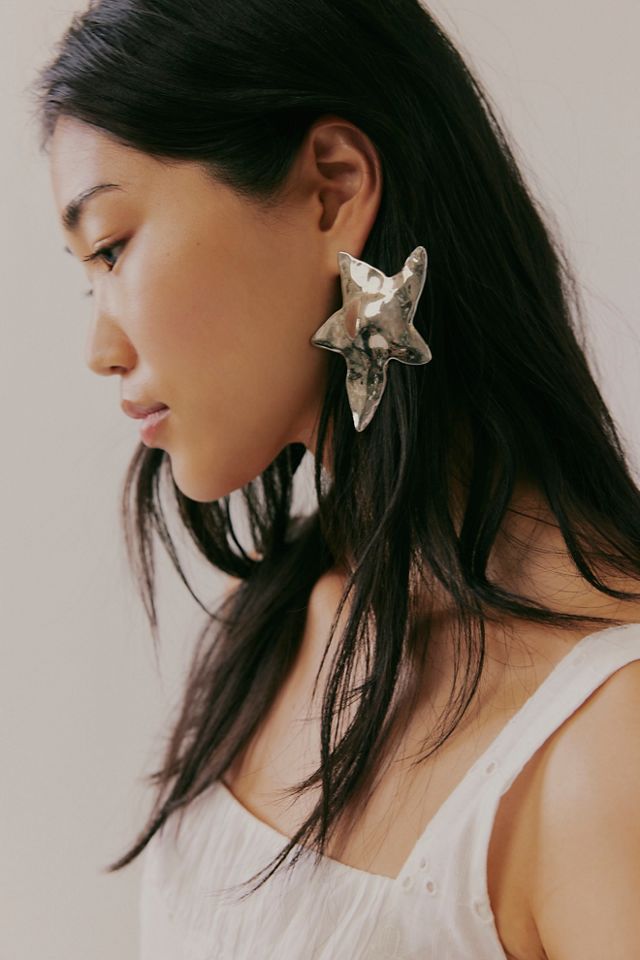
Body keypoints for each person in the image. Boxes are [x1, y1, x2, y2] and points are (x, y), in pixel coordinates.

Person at [30, 0, 640, 957]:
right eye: (87, 274)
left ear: (332, 190)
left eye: (112, 247)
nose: (99, 348)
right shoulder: (276, 622)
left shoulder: (608, 742)